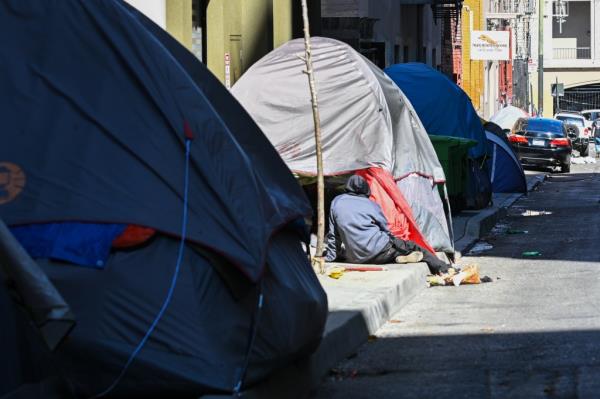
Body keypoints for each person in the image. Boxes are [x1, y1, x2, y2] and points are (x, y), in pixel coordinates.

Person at [324, 175, 450, 275]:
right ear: (366, 190)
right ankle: (444, 269)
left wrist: (331, 257)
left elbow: (333, 235)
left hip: (356, 257)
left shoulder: (337, 202)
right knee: (414, 247)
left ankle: (398, 257)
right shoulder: (371, 205)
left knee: (387, 248)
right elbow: (386, 230)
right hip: (380, 252)